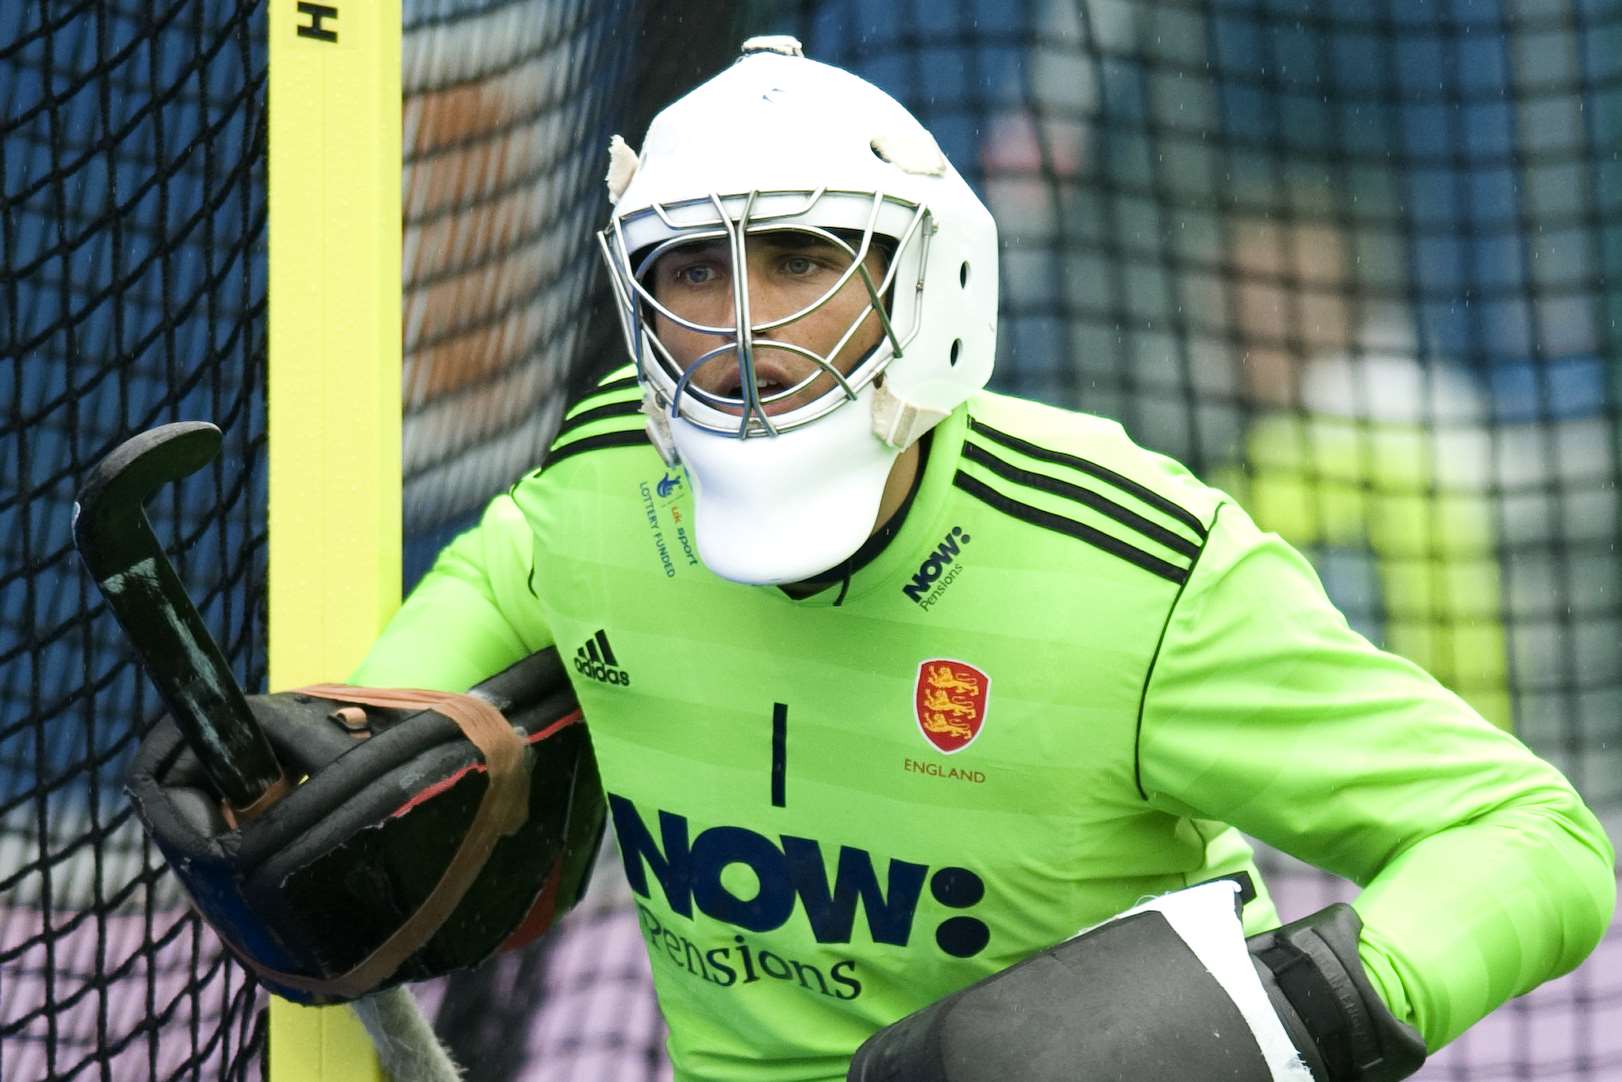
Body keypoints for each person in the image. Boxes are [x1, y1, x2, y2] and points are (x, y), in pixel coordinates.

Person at [352, 37, 1614, 1082]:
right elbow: (429, 664)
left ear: (926, 281)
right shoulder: (593, 494)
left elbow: (1530, 836)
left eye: (799, 256)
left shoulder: (1131, 568)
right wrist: (348, 765)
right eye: (693, 268)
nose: (742, 322)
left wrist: (1277, 1014)